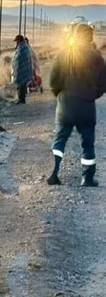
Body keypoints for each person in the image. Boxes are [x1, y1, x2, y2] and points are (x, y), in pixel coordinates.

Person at [47, 21, 106, 187]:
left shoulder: (64, 54)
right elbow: (103, 83)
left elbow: (53, 80)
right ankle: (87, 178)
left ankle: (54, 171)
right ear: (90, 37)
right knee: (87, 144)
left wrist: (60, 94)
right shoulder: (97, 57)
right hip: (86, 106)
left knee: (59, 140)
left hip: (65, 105)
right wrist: (92, 95)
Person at [12, 35, 33, 104]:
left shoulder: (22, 48)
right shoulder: (24, 47)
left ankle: (21, 99)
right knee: (22, 84)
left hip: (21, 68)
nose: (16, 42)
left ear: (19, 40)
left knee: (21, 85)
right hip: (22, 68)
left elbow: (19, 58)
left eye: (17, 41)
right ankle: (21, 99)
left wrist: (16, 66)